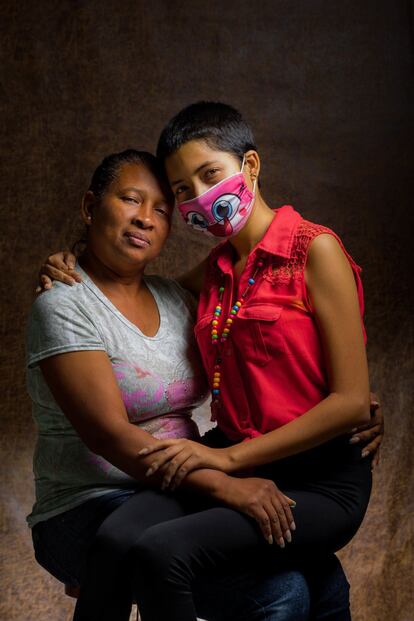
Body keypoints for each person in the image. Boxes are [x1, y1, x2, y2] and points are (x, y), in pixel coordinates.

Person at [36, 105, 384, 621]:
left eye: (209, 174)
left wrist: (224, 461)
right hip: (243, 456)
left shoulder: (316, 250)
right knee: (115, 538)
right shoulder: (218, 269)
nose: (198, 197)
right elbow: (131, 298)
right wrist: (75, 261)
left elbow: (352, 401)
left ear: (250, 166)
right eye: (182, 190)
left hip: (316, 475)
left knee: (163, 551)